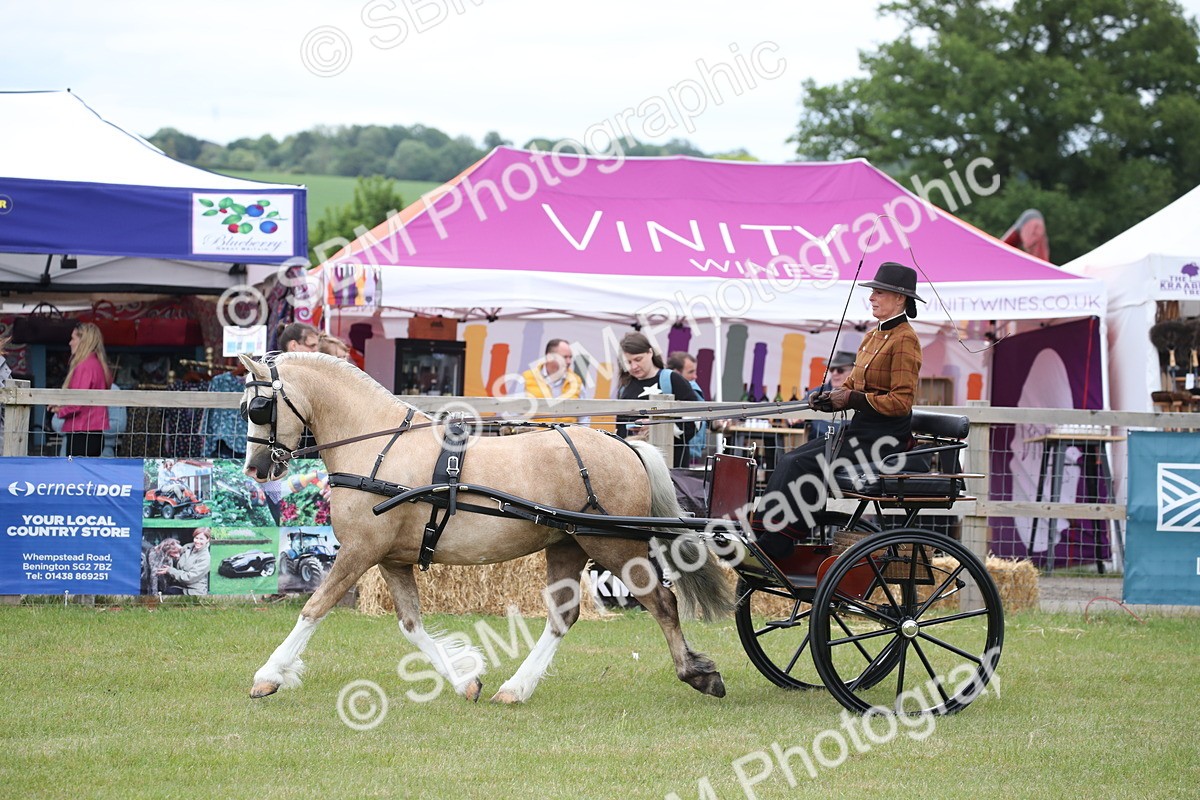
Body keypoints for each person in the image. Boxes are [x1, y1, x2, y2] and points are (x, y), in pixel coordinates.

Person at [753, 262, 925, 559]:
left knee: (802, 466)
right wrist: (827, 397)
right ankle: (763, 533)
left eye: (879, 292)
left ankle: (778, 543)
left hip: (884, 439)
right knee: (790, 458)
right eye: (872, 291)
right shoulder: (872, 337)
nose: (871, 297)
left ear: (900, 298)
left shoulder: (906, 340)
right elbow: (851, 385)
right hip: (860, 431)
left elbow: (901, 402)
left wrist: (853, 400)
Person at [616, 332, 698, 468]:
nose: (633, 366)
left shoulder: (672, 379)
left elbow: (695, 421)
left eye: (638, 359)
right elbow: (621, 428)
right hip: (636, 466)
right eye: (628, 362)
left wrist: (658, 426)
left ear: (650, 353)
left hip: (671, 465)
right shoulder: (625, 387)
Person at [49, 322, 111, 457]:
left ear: (83, 341)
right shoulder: (98, 364)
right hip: (94, 431)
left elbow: (77, 403)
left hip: (82, 432)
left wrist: (60, 410)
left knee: (77, 476)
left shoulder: (85, 366)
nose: (70, 343)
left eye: (73, 338)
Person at [522, 338, 584, 424]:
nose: (569, 361)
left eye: (570, 357)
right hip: (534, 435)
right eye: (564, 357)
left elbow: (584, 416)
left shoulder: (577, 381)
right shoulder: (527, 378)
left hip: (567, 436)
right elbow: (515, 412)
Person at [798, 350, 856, 441]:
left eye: (840, 370)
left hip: (848, 447)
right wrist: (795, 418)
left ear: (854, 372)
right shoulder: (815, 393)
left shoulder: (860, 396)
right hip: (816, 447)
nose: (834, 373)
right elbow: (796, 419)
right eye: (832, 369)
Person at [157, 529, 211, 595]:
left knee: (168, 594)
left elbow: (189, 578)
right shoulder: (188, 547)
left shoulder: (205, 557)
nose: (198, 541)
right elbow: (178, 559)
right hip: (181, 584)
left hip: (193, 591)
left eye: (201, 539)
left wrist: (170, 570)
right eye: (196, 538)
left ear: (207, 539)